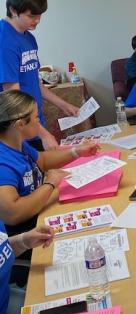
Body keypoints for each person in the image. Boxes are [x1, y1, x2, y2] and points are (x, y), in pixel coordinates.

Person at [0, 90, 99, 232]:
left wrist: (77, 152)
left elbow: (42, 160)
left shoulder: (17, 143)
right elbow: (13, 214)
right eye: (36, 118)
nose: (39, 121)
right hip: (23, 234)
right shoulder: (3, 164)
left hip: (38, 213)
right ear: (20, 125)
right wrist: (50, 183)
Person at [0, 0, 79, 151]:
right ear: (13, 10)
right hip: (18, 127)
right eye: (31, 16)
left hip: (34, 121)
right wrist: (43, 134)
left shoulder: (29, 38)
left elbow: (34, 82)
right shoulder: (4, 41)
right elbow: (13, 97)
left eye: (40, 15)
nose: (37, 20)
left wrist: (63, 104)